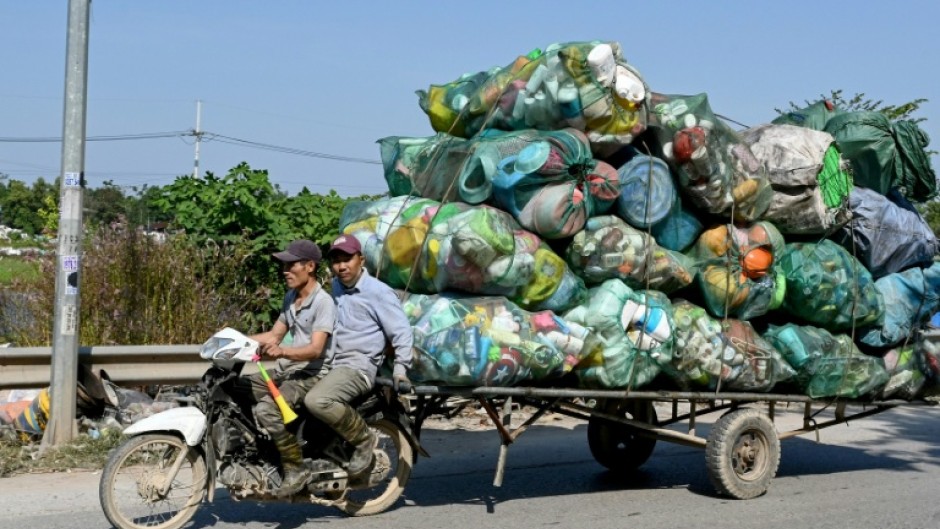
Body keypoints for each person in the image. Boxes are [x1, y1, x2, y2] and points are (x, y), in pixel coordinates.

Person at [304, 234, 413, 478]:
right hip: (331, 364)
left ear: (361, 260)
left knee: (317, 400)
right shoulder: (334, 289)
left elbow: (402, 332)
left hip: (357, 367)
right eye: (336, 261)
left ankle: (364, 440)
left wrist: (400, 369)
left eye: (347, 259)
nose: (341, 266)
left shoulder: (379, 293)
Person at [243, 239, 335, 496]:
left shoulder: (323, 302)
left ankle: (296, 468)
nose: (285, 270)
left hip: (311, 373)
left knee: (267, 409)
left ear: (310, 266)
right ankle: (263, 449)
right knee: (237, 387)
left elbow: (316, 349)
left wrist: (283, 350)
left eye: (291, 264)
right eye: (283, 265)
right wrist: (236, 339)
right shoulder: (291, 298)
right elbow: (275, 334)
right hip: (289, 369)